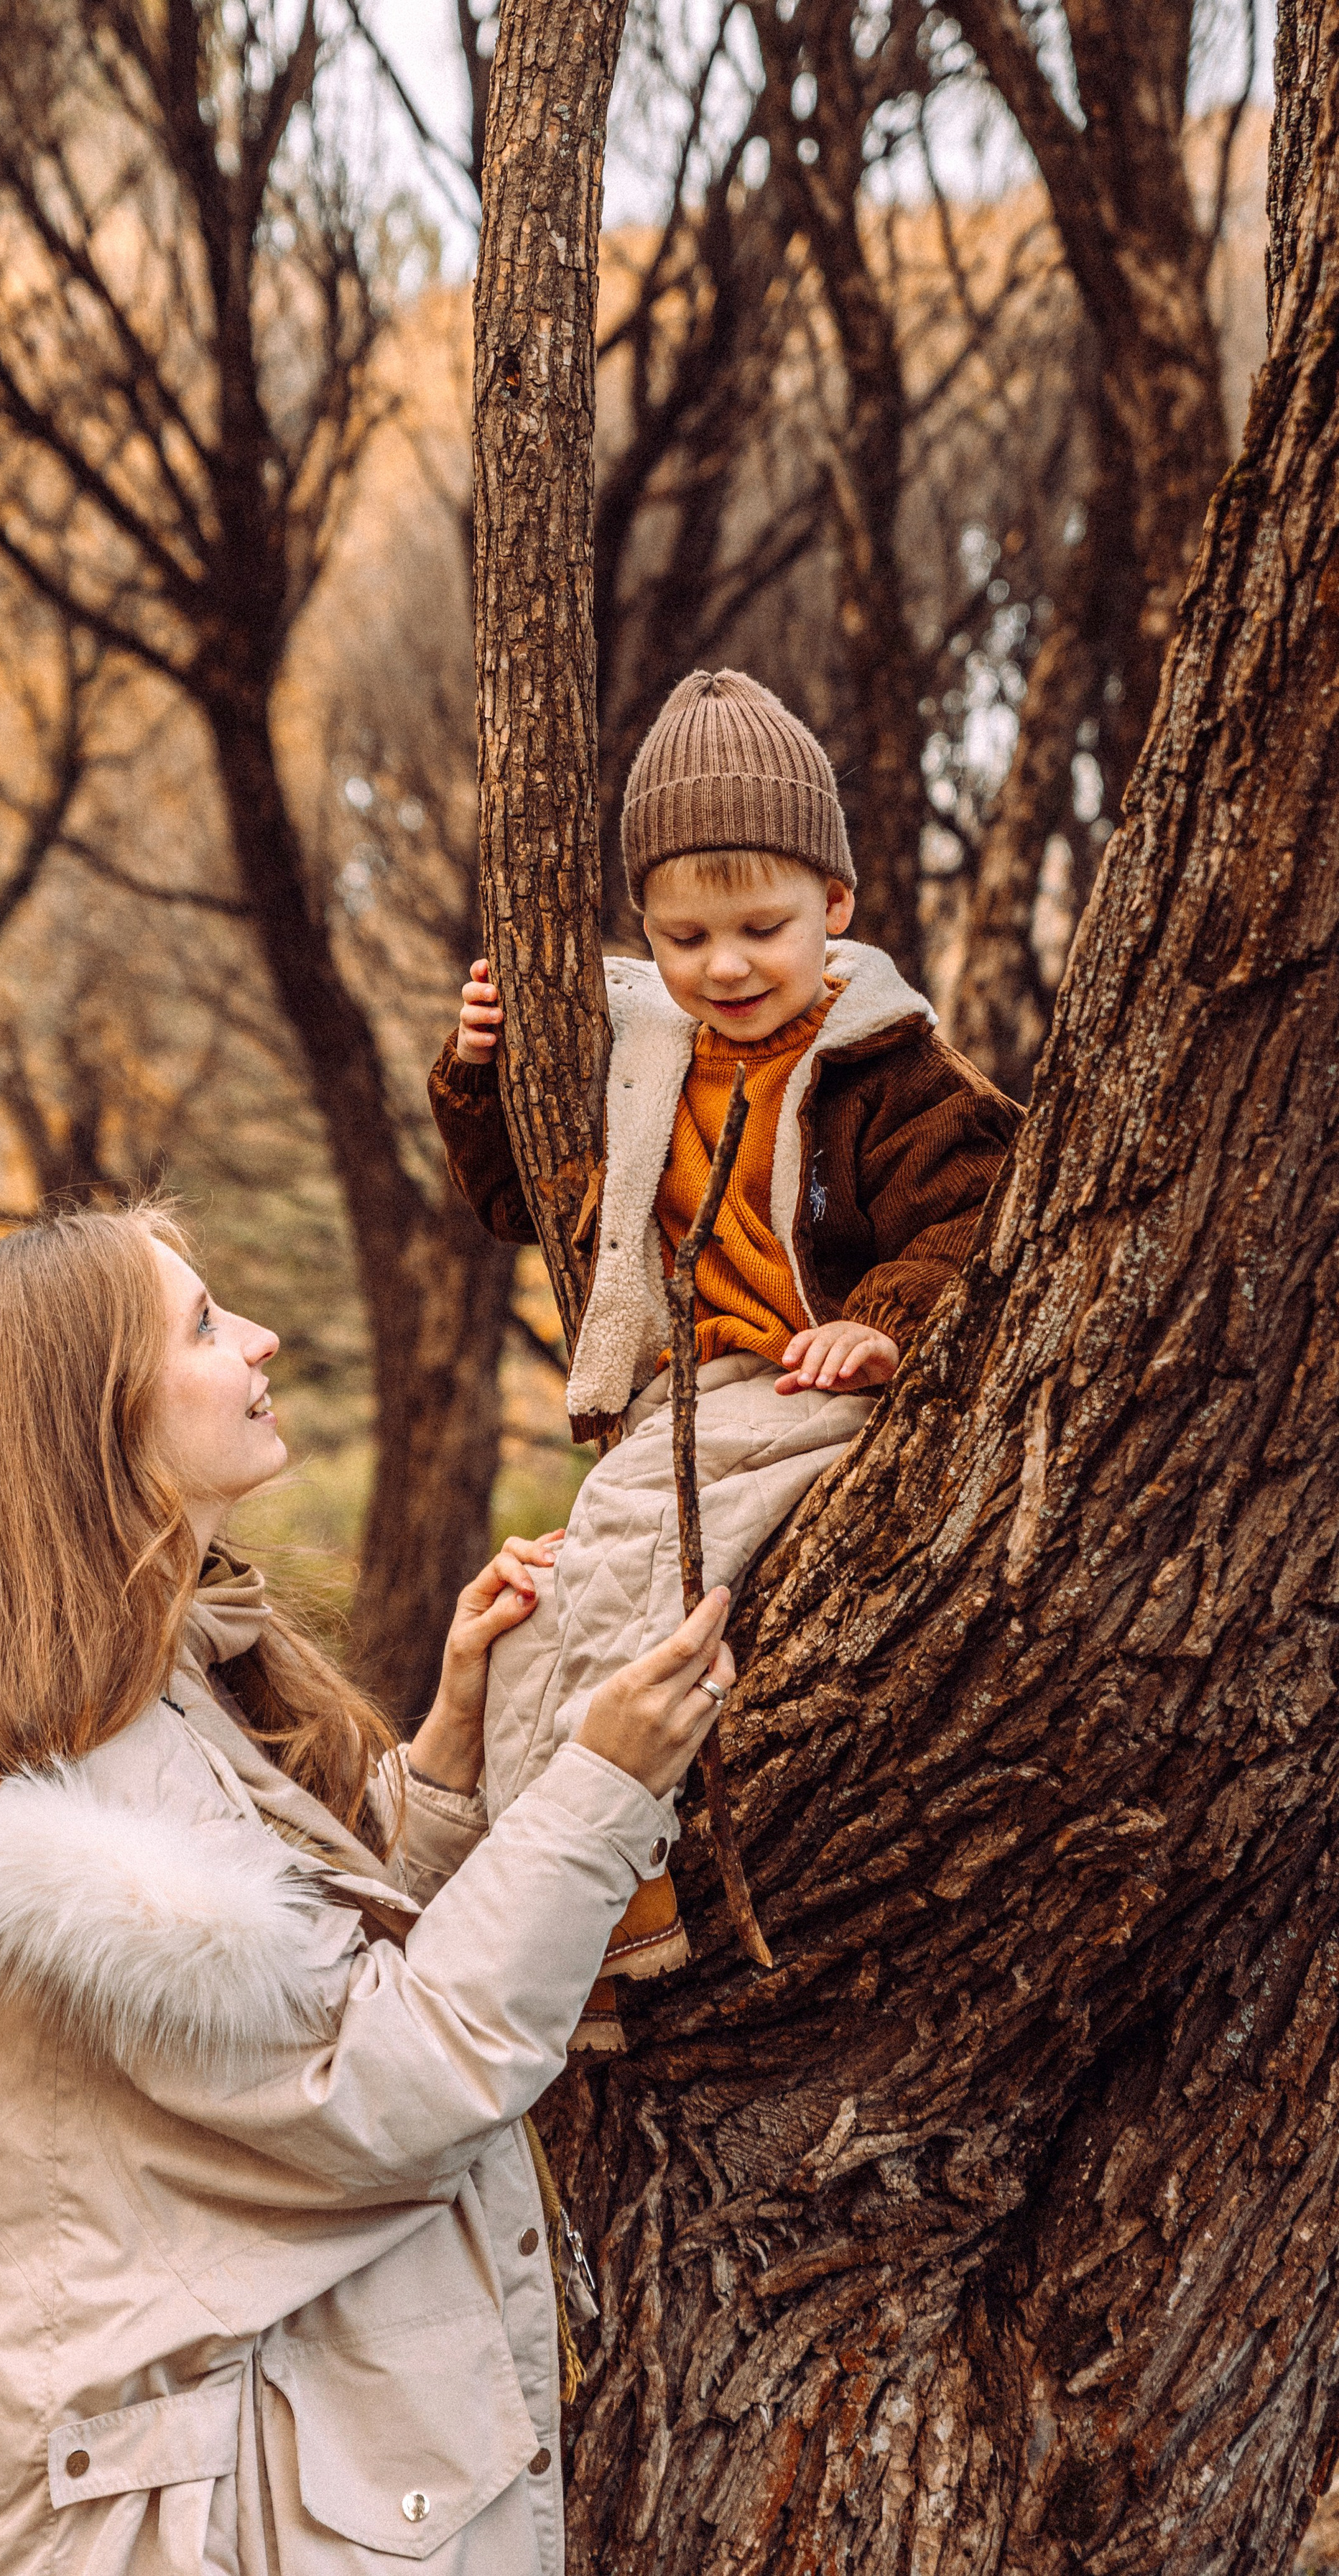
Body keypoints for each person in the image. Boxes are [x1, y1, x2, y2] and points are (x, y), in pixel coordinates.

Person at [0, 1205, 737, 2576]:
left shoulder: (116, 1708)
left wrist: (436, 1758)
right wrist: (604, 1786)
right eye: (202, 1324)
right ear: (95, 1422)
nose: (259, 1339)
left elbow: (289, 1986)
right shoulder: (78, 1785)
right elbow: (389, 2080)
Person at [430, 667, 1021, 2045]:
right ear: (645, 927)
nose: (729, 967)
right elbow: (529, 1202)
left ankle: (611, 1882)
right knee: (554, 1599)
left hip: (813, 1388)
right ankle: (515, 1895)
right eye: (687, 936)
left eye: (763, 926)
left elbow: (982, 1215)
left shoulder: (892, 1064)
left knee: (641, 1563)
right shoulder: (642, 1049)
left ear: (840, 908)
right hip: (686, 1402)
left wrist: (886, 1322)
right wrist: (479, 1076)